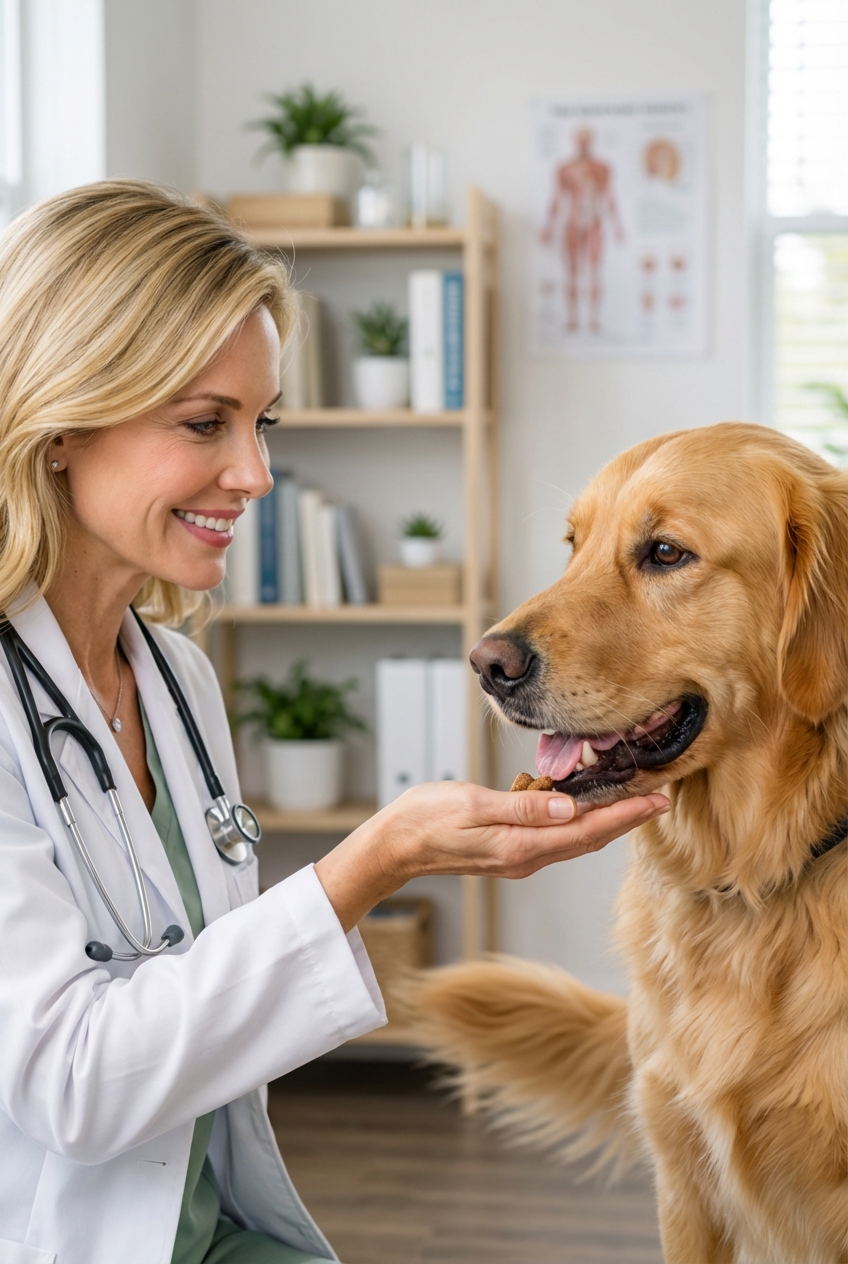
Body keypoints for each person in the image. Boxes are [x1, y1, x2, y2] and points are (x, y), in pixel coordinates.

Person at [0, 181, 668, 1264]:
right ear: (64, 416)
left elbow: (194, 998)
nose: (256, 472)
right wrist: (379, 855)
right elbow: (75, 1081)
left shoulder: (174, 678)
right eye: (203, 423)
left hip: (217, 1228)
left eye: (260, 423)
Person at [540, 127, 624, 333]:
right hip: (573, 221)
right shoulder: (564, 168)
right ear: (574, 141)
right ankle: (572, 319)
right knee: (572, 272)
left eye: (587, 140)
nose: (583, 143)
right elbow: (557, 198)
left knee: (595, 271)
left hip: (594, 222)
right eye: (580, 139)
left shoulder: (602, 168)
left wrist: (617, 226)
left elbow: (609, 196)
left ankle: (594, 319)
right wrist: (548, 227)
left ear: (592, 141)